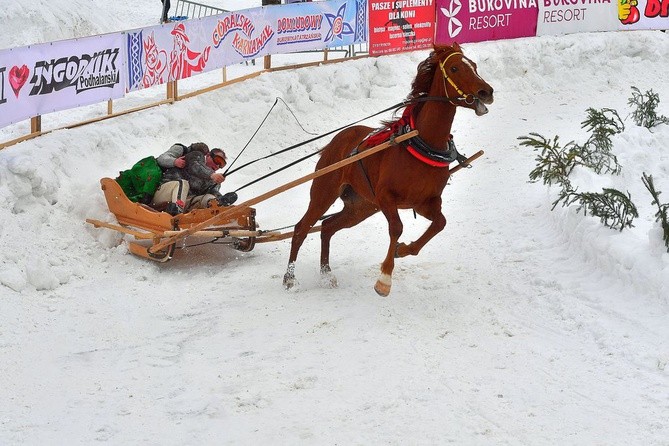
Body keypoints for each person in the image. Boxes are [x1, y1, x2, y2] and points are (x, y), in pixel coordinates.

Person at [152, 142, 235, 215]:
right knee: (183, 183)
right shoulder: (194, 156)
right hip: (162, 194)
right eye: (218, 160)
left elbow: (212, 191)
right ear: (208, 155)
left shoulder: (211, 178)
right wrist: (174, 161)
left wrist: (221, 199)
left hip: (183, 202)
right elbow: (196, 167)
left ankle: (220, 210)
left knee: (208, 197)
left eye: (221, 165)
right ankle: (176, 213)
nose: (218, 166)